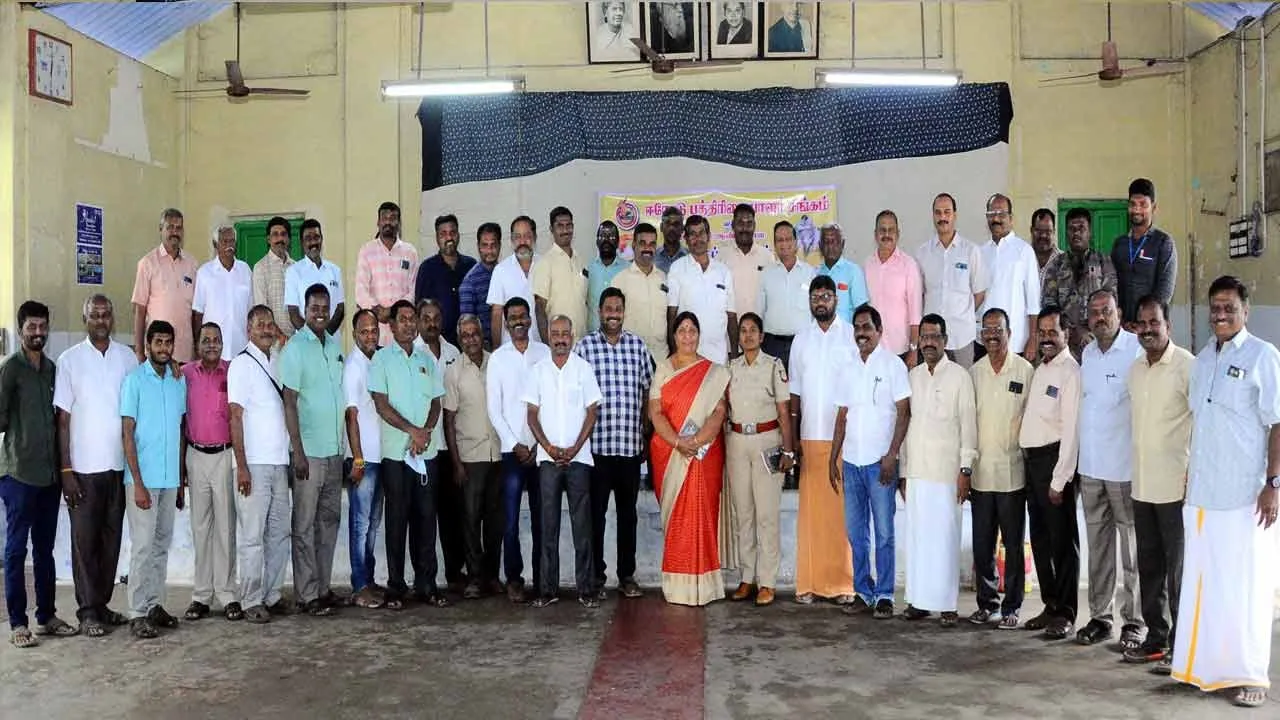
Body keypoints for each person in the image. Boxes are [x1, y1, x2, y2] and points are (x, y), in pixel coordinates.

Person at [1171, 276, 1280, 709]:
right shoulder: (1202, 360)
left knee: (1247, 587)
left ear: (1245, 311)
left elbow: (1277, 423)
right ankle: (1206, 669)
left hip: (1245, 495)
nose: (1220, 315)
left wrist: (1273, 484)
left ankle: (1251, 674)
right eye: (1215, 307)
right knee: (1206, 585)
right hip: (1203, 493)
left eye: (1229, 308)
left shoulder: (1263, 356)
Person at [54, 294, 137, 636]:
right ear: (85, 319)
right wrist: (66, 471)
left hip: (117, 467)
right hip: (83, 471)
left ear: (112, 319)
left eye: (106, 314)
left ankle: (101, 605)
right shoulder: (69, 360)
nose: (101, 320)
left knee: (110, 541)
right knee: (85, 544)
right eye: (95, 315)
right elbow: (62, 421)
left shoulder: (127, 357)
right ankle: (87, 610)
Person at [1123, 295, 1193, 672]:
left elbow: (1201, 423)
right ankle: (1156, 638)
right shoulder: (1135, 370)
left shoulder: (1187, 367)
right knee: (1149, 568)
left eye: (1155, 322)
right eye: (1143, 323)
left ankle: (1181, 647)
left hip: (1175, 488)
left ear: (1169, 326)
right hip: (1142, 486)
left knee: (1178, 571)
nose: (1148, 329)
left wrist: (1193, 474)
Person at [2, 301, 77, 647]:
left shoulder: (51, 369)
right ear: (20, 330)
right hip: (18, 474)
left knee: (45, 549)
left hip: (49, 476)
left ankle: (46, 616)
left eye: (42, 326)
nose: (38, 332)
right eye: (31, 327)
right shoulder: (10, 369)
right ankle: (18, 623)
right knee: (16, 551)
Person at [829, 304, 910, 619]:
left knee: (885, 533)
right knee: (856, 533)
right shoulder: (847, 368)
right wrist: (833, 458)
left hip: (880, 464)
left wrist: (892, 455)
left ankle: (885, 594)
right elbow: (842, 417)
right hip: (851, 464)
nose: (861, 333)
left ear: (879, 331)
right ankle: (863, 591)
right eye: (857, 328)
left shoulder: (893, 365)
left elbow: (904, 413)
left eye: (867, 327)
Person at [1074, 290, 1145, 649]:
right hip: (1091, 468)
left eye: (1107, 310)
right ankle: (1100, 617)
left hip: (1124, 468)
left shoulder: (1135, 350)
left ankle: (1135, 621)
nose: (1100, 317)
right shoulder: (1087, 353)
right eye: (1094, 312)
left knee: (1132, 549)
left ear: (1119, 313)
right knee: (1099, 547)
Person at [369, 300, 448, 610]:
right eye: (402, 319)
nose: (409, 324)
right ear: (391, 325)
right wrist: (412, 431)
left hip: (426, 454)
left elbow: (437, 402)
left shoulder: (426, 359)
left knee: (426, 519)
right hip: (396, 455)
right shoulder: (381, 359)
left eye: (412, 318)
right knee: (397, 520)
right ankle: (396, 587)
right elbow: (381, 404)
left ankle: (427, 585)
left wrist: (424, 433)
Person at [575, 287, 653, 600]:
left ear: (623, 312)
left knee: (627, 516)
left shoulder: (638, 346)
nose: (613, 314)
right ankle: (596, 575)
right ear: (599, 311)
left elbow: (648, 390)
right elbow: (576, 396)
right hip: (597, 448)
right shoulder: (585, 348)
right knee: (596, 515)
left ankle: (626, 575)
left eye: (618, 309)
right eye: (608, 308)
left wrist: (645, 429)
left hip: (629, 447)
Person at [899, 314, 977, 627]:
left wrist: (966, 470)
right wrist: (904, 471)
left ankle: (946, 605)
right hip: (917, 471)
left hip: (947, 474)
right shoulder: (912, 377)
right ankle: (918, 601)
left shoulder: (960, 377)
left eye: (935, 337)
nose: (929, 342)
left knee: (945, 540)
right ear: (919, 341)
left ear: (945, 341)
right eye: (924, 337)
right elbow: (906, 426)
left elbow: (968, 427)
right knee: (918, 539)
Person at [648, 312, 730, 606]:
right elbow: (655, 412)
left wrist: (695, 442)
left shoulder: (713, 373)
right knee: (678, 520)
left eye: (692, 330)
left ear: (699, 335)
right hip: (670, 454)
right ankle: (677, 586)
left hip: (704, 454)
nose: (687, 336)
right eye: (682, 330)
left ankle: (706, 586)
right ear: (674, 335)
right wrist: (678, 442)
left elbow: (719, 412)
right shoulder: (663, 369)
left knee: (703, 513)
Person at [525, 315, 603, 608]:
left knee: (582, 527)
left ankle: (586, 590)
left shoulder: (583, 369)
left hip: (578, 459)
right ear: (548, 336)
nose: (560, 339)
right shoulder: (538, 371)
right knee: (548, 526)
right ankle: (548, 590)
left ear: (572, 336)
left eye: (564, 334)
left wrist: (574, 448)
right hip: (547, 461)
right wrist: (548, 447)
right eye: (555, 333)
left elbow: (592, 412)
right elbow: (531, 415)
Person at [788, 275, 856, 604]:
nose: (821, 301)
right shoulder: (801, 340)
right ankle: (810, 584)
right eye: (816, 296)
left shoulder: (851, 336)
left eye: (826, 296)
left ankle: (843, 585)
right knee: (812, 516)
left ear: (836, 300)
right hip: (810, 438)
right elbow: (795, 393)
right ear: (810, 301)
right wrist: (793, 440)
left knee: (841, 517)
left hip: (843, 439)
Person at [280, 284, 346, 617]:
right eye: (314, 308)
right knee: (304, 525)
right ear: (304, 311)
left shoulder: (334, 345)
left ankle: (322, 588)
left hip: (334, 451)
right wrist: (298, 451)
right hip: (309, 453)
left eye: (324, 308)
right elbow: (289, 401)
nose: (320, 313)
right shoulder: (295, 348)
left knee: (328, 522)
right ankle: (306, 594)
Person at [120, 320, 187, 639]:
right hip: (142, 480)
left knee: (161, 545)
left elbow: (180, 430)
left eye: (168, 342)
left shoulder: (178, 381)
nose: (163, 348)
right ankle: (136, 612)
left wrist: (181, 480)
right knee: (143, 548)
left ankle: (155, 605)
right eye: (157, 342)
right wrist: (138, 483)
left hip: (169, 478)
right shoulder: (134, 381)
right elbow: (127, 434)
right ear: (147, 346)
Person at [968, 308, 1034, 629]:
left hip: (1013, 473)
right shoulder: (974, 373)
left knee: (1013, 544)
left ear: (1010, 333)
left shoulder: (1025, 371)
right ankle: (987, 603)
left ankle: (1012, 607)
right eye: (987, 330)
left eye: (998, 330)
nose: (992, 336)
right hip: (981, 474)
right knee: (982, 544)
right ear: (981, 335)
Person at [1018, 306, 1082, 639]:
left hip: (1054, 464)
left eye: (1052, 332)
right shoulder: (1040, 368)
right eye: (1041, 332)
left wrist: (1060, 479)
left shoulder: (1070, 372)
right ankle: (1051, 604)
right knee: (1041, 541)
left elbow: (1071, 431)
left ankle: (1067, 612)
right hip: (1033, 465)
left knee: (1062, 542)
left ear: (1066, 334)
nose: (1046, 338)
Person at [724, 313, 794, 607]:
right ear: (738, 337)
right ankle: (747, 577)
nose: (748, 335)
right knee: (743, 513)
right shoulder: (731, 368)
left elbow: (784, 411)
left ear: (762, 337)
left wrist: (788, 451)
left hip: (768, 442)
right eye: (743, 330)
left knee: (766, 515)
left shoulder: (774, 366)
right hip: (738, 442)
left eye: (754, 330)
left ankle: (767, 581)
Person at [229, 306, 291, 624]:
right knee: (252, 536)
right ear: (248, 329)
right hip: (253, 464)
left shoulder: (279, 361)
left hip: (280, 462)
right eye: (260, 324)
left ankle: (272, 594)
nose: (267, 329)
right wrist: (241, 465)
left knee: (279, 533)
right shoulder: (241, 364)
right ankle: (251, 599)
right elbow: (235, 416)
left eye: (270, 324)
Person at [487, 297, 551, 602]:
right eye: (512, 317)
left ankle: (542, 579)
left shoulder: (544, 353)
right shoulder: (498, 359)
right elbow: (494, 409)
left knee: (542, 518)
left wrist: (539, 444)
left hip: (542, 450)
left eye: (523, 316)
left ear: (530, 319)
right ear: (506, 323)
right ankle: (514, 578)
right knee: (510, 520)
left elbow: (551, 402)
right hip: (512, 451)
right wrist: (515, 444)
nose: (518, 322)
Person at [180, 322, 241, 622]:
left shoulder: (233, 372)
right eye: (206, 340)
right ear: (197, 344)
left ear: (222, 343)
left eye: (216, 340)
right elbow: (180, 419)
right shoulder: (185, 374)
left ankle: (228, 594)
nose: (211, 344)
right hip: (195, 456)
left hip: (225, 456)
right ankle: (201, 596)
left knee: (226, 528)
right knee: (200, 528)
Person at [443, 315, 504, 599]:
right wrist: (456, 464)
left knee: (494, 522)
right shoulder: (453, 372)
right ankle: (475, 578)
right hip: (469, 457)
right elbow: (449, 421)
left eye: (475, 333)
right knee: (470, 521)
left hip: (498, 455)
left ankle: (492, 576)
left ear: (483, 335)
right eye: (465, 335)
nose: (471, 339)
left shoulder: (497, 364)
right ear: (459, 340)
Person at [414, 299, 466, 593]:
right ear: (418, 320)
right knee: (423, 516)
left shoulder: (453, 353)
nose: (432, 323)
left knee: (452, 515)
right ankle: (425, 578)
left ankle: (454, 574)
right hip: (423, 448)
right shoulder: (412, 352)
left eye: (436, 318)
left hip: (450, 447)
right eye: (426, 318)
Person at [343, 309, 385, 609]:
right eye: (364, 331)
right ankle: (359, 586)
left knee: (372, 524)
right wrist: (357, 459)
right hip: (363, 460)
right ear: (355, 334)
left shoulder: (378, 361)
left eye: (374, 330)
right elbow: (351, 415)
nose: (370, 335)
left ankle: (368, 580)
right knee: (360, 525)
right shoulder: (353, 366)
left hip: (380, 457)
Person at [917, 193, 987, 368]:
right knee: (932, 382)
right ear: (933, 216)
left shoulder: (971, 251)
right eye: (938, 212)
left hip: (962, 337)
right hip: (931, 339)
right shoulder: (922, 253)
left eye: (947, 212)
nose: (942, 217)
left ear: (955, 215)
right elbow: (920, 294)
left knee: (963, 381)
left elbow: (979, 293)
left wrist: (961, 313)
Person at [1042, 208, 1118, 360]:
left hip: (1097, 340)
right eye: (1072, 229)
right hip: (1064, 343)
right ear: (1066, 233)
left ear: (1090, 233)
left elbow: (1111, 302)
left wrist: (1090, 330)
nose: (1076, 233)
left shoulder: (1103, 262)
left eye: (1081, 228)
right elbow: (1049, 305)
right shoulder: (1056, 265)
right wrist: (1073, 330)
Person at [976, 194, 1039, 360]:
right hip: (984, 341)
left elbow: (1033, 302)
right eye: (991, 214)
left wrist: (1033, 339)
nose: (996, 218)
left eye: (1001, 214)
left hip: (1016, 341)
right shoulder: (980, 252)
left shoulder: (1024, 251)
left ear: (1011, 218)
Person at [667, 215, 737, 364]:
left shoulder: (723, 271)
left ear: (709, 236)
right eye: (692, 234)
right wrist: (675, 356)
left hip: (719, 358)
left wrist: (735, 356)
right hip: (687, 359)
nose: (698, 239)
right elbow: (672, 315)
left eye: (701, 233)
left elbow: (731, 317)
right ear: (686, 239)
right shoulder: (677, 269)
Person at [131, 208, 197, 363]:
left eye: (178, 228)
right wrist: (139, 352)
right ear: (161, 229)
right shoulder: (147, 263)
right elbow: (139, 311)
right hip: (157, 353)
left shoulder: (192, 264)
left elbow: (195, 312)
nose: (175, 232)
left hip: (185, 353)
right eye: (170, 227)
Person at [1111, 178, 1176, 327]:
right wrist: (1120, 321)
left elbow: (1164, 292)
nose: (1137, 210)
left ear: (1153, 207)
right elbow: (1112, 285)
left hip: (1151, 327)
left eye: (1143, 204)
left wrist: (1143, 323)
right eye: (1133, 204)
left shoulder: (1164, 243)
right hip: (1123, 327)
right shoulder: (1119, 244)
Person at [862, 210, 922, 366]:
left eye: (891, 230)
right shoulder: (867, 265)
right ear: (875, 234)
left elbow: (915, 314)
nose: (887, 234)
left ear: (898, 234)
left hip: (901, 351)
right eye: (882, 230)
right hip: (873, 350)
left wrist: (913, 350)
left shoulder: (909, 265)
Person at [356, 201, 418, 346]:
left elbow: (413, 290)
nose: (388, 222)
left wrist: (393, 311)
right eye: (384, 218)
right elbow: (361, 291)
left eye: (393, 218)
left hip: (403, 330)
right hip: (375, 331)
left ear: (399, 223)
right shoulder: (366, 251)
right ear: (378, 222)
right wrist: (378, 311)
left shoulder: (410, 252)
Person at [758, 220, 815, 373]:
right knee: (774, 387)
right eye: (780, 240)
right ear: (775, 245)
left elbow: (815, 313)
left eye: (788, 239)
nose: (784, 244)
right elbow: (760, 311)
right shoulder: (766, 274)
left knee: (802, 386)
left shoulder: (809, 273)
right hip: (772, 345)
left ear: (796, 242)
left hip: (803, 344)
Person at [414, 214, 476, 348]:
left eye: (452, 233)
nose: (449, 238)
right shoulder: (427, 268)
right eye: (443, 234)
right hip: (439, 343)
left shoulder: (471, 266)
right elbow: (420, 308)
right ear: (437, 238)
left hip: (469, 341)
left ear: (458, 235)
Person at [610, 222, 669, 363]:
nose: (647, 248)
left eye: (652, 244)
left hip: (661, 359)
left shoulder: (664, 278)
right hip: (630, 358)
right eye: (643, 243)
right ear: (634, 245)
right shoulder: (619, 280)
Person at [191, 224, 252, 360]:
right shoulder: (204, 273)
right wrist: (198, 346)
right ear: (215, 244)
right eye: (225, 241)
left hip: (241, 345)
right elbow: (198, 314)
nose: (229, 245)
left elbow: (250, 310)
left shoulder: (245, 270)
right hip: (212, 348)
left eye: (232, 241)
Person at [533, 207, 588, 343]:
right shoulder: (545, 263)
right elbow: (539, 308)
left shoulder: (580, 260)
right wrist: (548, 345)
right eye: (560, 226)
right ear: (551, 229)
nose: (565, 230)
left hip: (582, 341)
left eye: (568, 225)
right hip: (559, 344)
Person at [488, 215, 541, 347]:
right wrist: (496, 350)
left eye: (527, 236)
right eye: (517, 237)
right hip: (510, 347)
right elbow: (496, 314)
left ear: (535, 237)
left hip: (541, 346)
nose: (522, 241)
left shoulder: (545, 265)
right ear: (512, 240)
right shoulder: (501, 270)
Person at [285, 219, 345, 336]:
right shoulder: (293, 272)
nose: (313, 242)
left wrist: (326, 336)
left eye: (316, 237)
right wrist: (313, 338)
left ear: (321, 239)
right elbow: (293, 313)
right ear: (302, 242)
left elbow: (340, 308)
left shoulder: (335, 270)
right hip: (305, 341)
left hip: (332, 339)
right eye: (308, 238)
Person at [716, 203, 777, 319]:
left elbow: (772, 295)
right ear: (733, 225)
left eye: (749, 224)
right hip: (730, 327)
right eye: (740, 223)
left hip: (760, 327)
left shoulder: (767, 257)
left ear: (754, 226)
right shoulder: (721, 258)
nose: (745, 229)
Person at [252, 216, 297, 345]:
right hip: (272, 341)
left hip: (296, 340)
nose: (280, 239)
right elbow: (262, 310)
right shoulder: (261, 267)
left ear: (288, 239)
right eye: (275, 234)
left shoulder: (296, 267)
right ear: (268, 239)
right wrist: (281, 336)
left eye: (283, 234)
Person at [459, 222, 502, 350]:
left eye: (493, 245)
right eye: (485, 245)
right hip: (484, 347)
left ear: (500, 246)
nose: (489, 250)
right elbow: (467, 325)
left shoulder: (507, 273)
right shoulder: (469, 282)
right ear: (478, 247)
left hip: (510, 342)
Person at [814, 223, 868, 325]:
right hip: (820, 333)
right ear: (820, 246)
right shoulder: (815, 273)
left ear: (842, 244)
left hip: (846, 333)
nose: (830, 246)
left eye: (834, 242)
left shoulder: (853, 271)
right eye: (826, 242)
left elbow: (862, 310)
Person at [586, 221, 630, 333]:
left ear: (618, 241)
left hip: (621, 336)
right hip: (593, 336)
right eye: (602, 236)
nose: (606, 240)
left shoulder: (628, 269)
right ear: (597, 241)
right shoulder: (588, 269)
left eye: (611, 236)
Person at [1030, 208, 1061, 284]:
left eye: (1048, 231)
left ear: (1054, 232)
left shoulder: (1064, 261)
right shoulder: (1021, 258)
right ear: (1031, 230)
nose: (1043, 235)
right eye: (1039, 231)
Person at [655, 206, 686, 274]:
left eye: (676, 224)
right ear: (661, 227)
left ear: (682, 228)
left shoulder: (691, 258)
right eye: (668, 223)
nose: (672, 228)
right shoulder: (652, 258)